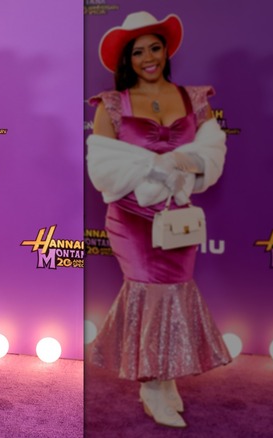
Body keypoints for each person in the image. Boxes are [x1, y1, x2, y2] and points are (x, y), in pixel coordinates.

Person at [86, 11, 232, 428]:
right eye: (138, 52)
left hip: (178, 217)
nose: (148, 58)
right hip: (131, 217)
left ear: (166, 51)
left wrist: (180, 163)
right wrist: (159, 165)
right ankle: (151, 385)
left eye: (154, 48)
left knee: (176, 292)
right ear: (126, 60)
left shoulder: (193, 99)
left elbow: (213, 153)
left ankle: (165, 380)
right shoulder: (111, 104)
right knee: (149, 292)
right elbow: (103, 168)